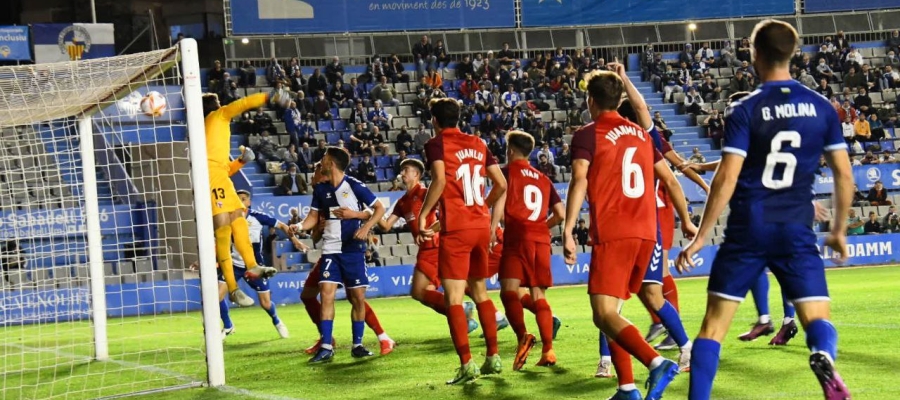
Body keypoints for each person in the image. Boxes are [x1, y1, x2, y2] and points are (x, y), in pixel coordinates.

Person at [676, 20, 852, 400]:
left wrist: (701, 237)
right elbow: (844, 174)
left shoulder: (745, 108)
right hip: (795, 226)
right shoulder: (823, 108)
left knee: (713, 327)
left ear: (753, 53)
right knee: (818, 319)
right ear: (795, 53)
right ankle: (822, 354)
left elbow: (726, 178)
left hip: (749, 227)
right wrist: (838, 229)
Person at [563, 69, 679, 400]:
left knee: (603, 313)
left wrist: (569, 229)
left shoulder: (588, 134)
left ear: (591, 101)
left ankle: (656, 362)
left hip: (615, 231)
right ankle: (626, 388)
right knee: (612, 313)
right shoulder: (642, 135)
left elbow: (580, 179)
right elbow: (667, 177)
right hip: (646, 232)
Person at [417, 98, 508, 384]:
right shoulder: (478, 143)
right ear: (458, 118)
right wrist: (481, 205)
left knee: (455, 298)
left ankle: (467, 364)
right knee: (480, 292)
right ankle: (493, 357)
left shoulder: (436, 144)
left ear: (434, 120)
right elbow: (501, 184)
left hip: (457, 231)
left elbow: (440, 181)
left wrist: (423, 215)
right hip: (480, 225)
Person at [292, 148, 387, 362]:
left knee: (358, 299)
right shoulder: (321, 190)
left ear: (331, 163)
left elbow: (379, 208)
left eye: (324, 158)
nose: (321, 162)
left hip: (353, 250)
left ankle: (358, 345)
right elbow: (313, 217)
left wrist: (365, 227)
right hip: (330, 251)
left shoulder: (354, 186)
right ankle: (326, 346)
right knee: (326, 294)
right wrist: (298, 226)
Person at [374, 158, 477, 330]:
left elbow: (448, 212)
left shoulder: (425, 193)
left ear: (417, 174)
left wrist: (431, 229)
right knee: (428, 292)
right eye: (402, 170)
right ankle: (466, 317)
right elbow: (385, 226)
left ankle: (462, 312)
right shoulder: (402, 202)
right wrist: (371, 211)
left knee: (419, 292)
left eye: (406, 170)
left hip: (434, 247)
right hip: (426, 249)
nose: (402, 173)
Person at [202, 92, 278, 307]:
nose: (222, 104)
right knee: (223, 228)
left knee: (238, 218)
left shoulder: (210, 127)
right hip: (210, 177)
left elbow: (224, 166)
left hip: (219, 176)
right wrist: (269, 96)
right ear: (215, 106)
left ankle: (252, 265)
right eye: (219, 102)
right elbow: (243, 103)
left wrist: (241, 161)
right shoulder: (219, 116)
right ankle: (233, 288)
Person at [499, 130, 566, 371]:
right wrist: (540, 226)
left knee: (508, 291)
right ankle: (549, 350)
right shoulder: (544, 178)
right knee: (539, 295)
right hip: (540, 240)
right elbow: (560, 214)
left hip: (517, 237)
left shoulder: (505, 172)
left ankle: (522, 337)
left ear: (510, 150)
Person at [217, 190, 298, 339]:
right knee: (217, 296)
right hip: (234, 265)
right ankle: (228, 326)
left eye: (243, 199)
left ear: (249, 202)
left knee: (265, 303)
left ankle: (277, 321)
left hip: (255, 267)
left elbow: (282, 226)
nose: (240, 201)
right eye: (237, 199)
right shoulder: (228, 217)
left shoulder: (257, 217)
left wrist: (296, 241)